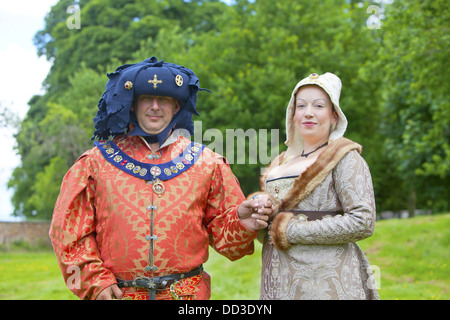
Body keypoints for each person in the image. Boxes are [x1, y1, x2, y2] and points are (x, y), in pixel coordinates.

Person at [49, 57, 272, 300]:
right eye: (147, 98)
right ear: (133, 104)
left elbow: (227, 241)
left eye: (164, 99)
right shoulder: (93, 163)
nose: (155, 106)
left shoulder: (208, 163)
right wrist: (95, 282)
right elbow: (67, 233)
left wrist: (241, 221)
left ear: (176, 106)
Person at [251, 72, 379, 300]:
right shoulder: (278, 164)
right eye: (301, 106)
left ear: (334, 117)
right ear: (293, 114)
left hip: (328, 283)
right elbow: (270, 231)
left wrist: (290, 231)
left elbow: (363, 221)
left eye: (319, 106)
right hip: (278, 283)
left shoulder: (345, 158)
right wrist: (260, 217)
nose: (308, 112)